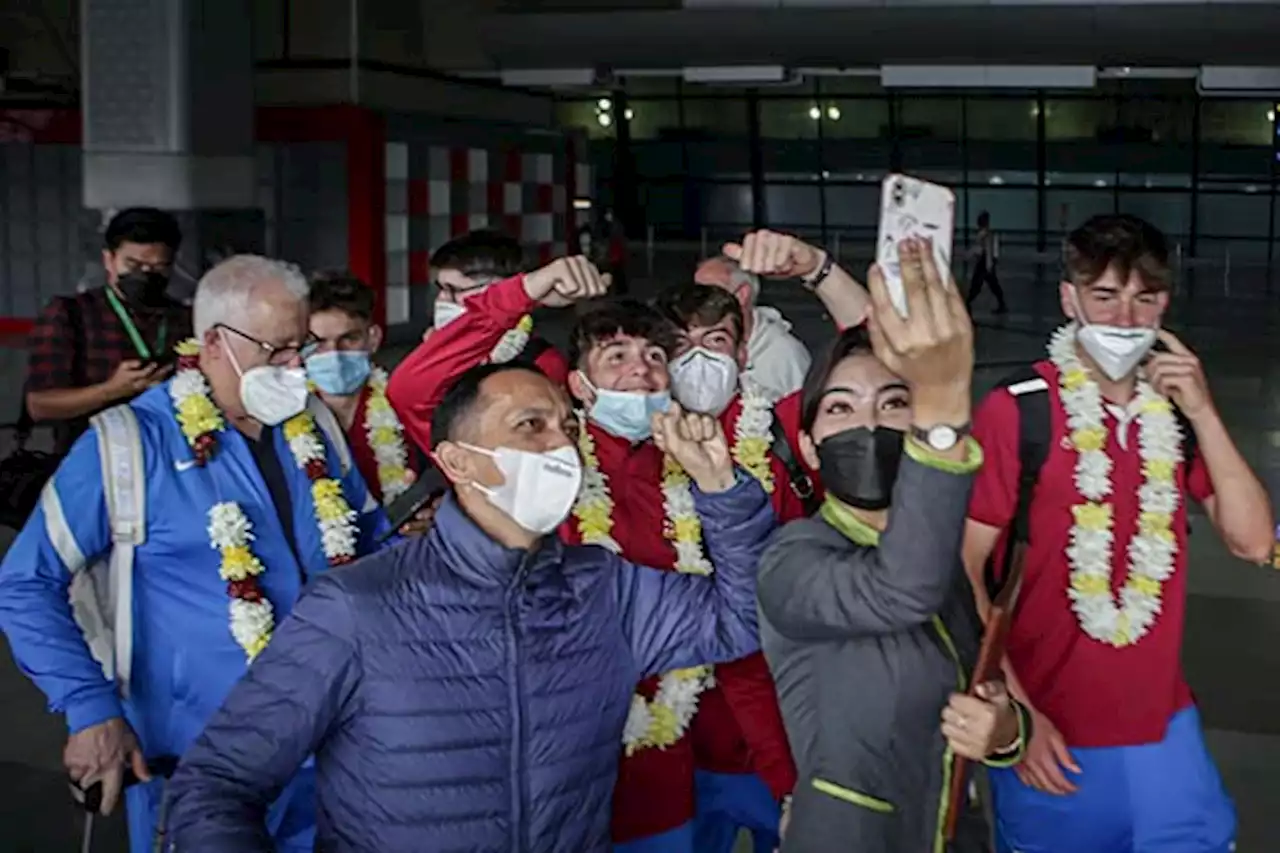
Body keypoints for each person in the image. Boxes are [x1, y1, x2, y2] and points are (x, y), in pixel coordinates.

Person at [163, 361, 778, 853]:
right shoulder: (357, 607)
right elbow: (218, 784)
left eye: (568, 427)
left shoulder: (606, 591)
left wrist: (720, 486)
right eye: (530, 426)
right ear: (456, 462)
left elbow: (744, 616)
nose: (560, 445)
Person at [0, 255, 391, 853]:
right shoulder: (130, 444)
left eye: (301, 347)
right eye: (277, 349)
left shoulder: (310, 427)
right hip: (195, 762)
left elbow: (369, 543)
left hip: (334, 751)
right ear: (214, 342)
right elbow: (26, 583)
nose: (295, 367)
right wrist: (89, 707)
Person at [963, 214, 1273, 853]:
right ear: (1069, 298)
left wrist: (1205, 413)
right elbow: (962, 570)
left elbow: (1254, 542)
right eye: (1104, 296)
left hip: (1165, 727)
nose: (1126, 319)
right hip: (1051, 731)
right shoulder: (1019, 409)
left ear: (1166, 304)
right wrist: (1016, 718)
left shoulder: (1175, 415)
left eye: (1146, 298)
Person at [758, 239, 1027, 853]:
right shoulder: (792, 562)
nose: (870, 426)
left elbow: (983, 683)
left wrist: (1007, 730)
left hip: (952, 831)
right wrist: (941, 405)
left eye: (895, 404)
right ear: (808, 445)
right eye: (841, 408)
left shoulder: (940, 549)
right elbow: (902, 589)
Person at [25, 207, 191, 453]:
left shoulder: (186, 319)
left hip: (166, 455)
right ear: (109, 260)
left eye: (158, 267)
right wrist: (111, 390)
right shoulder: (71, 314)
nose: (145, 275)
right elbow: (39, 406)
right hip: (90, 455)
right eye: (133, 264)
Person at [387, 232, 572, 451]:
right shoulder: (430, 359)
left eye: (454, 290)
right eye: (441, 289)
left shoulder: (542, 362)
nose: (442, 300)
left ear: (498, 291)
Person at [695, 229, 869, 400]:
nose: (694, 303)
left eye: (707, 293)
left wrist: (816, 267)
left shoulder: (785, 356)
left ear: (741, 295)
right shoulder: (686, 349)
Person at [304, 271, 420, 505]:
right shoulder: (287, 414)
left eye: (349, 338)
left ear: (373, 338)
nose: (333, 354)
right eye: (317, 343)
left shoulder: (406, 406)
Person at [965, 211, 1007, 314]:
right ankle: (1002, 304)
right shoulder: (987, 234)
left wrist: (988, 264)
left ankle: (967, 303)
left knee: (978, 284)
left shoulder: (984, 235)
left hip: (984, 263)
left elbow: (984, 250)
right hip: (987, 262)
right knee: (992, 285)